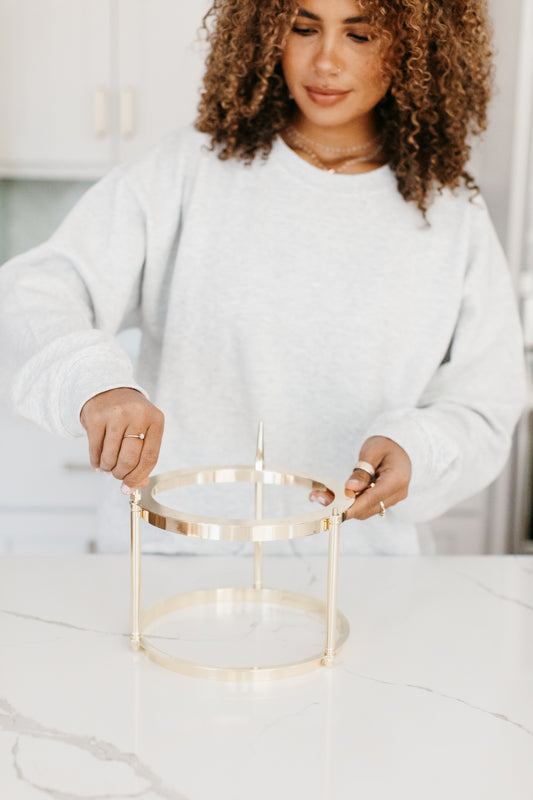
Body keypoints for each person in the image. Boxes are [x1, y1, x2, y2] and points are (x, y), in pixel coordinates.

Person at [0, 0, 526, 555]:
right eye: (303, 28)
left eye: (361, 35)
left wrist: (417, 449)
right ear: (265, 31)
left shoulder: (451, 213)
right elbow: (36, 290)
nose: (325, 61)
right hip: (168, 564)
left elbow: (484, 405)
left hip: (353, 577)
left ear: (419, 47)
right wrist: (95, 382)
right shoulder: (188, 170)